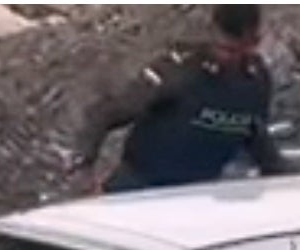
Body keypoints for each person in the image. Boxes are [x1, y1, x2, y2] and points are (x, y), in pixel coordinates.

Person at [72, 4, 285, 193]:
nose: (224, 57)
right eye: (220, 47)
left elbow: (253, 132)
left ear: (253, 43)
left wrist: (279, 181)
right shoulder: (178, 71)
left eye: (234, 51)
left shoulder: (256, 80)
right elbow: (106, 113)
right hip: (139, 188)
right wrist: (83, 167)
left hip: (195, 196)